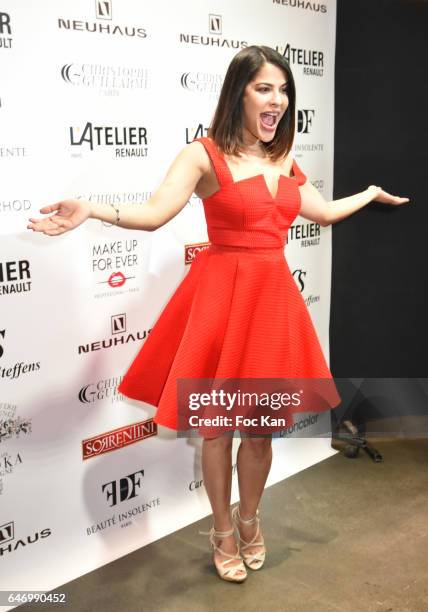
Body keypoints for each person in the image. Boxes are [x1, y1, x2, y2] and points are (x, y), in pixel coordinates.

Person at [28, 46, 410, 583]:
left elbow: (319, 212)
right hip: (222, 301)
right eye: (264, 88)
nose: (276, 100)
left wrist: (368, 193)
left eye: (283, 90)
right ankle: (222, 530)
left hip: (272, 304)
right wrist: (94, 209)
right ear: (239, 94)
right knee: (218, 429)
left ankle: (250, 519)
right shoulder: (204, 155)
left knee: (260, 430)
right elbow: (156, 214)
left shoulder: (284, 160)